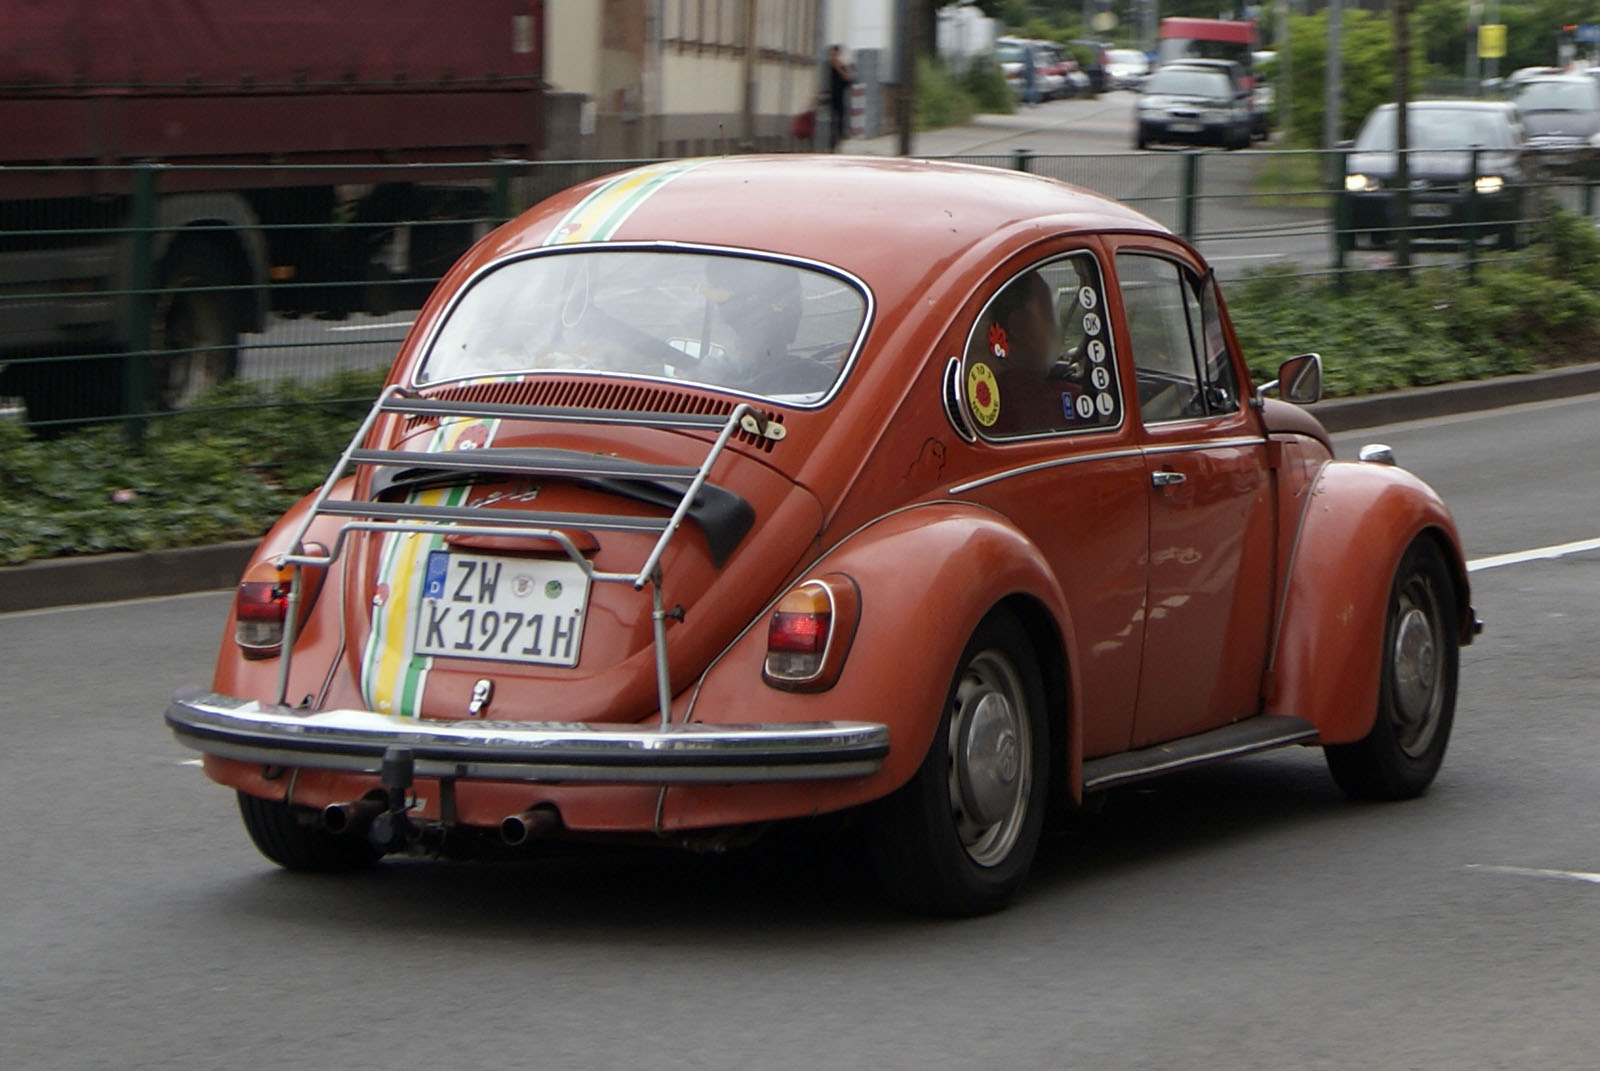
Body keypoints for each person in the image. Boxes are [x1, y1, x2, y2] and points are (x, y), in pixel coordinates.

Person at [827, 45, 856, 151]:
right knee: (829, 122)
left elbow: (850, 81)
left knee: (838, 121)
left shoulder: (841, 66)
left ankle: (836, 144)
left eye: (836, 55)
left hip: (839, 99)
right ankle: (830, 143)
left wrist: (841, 69)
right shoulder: (827, 67)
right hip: (828, 99)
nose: (834, 57)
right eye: (832, 55)